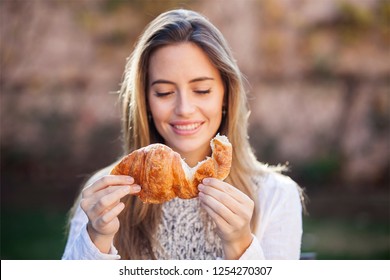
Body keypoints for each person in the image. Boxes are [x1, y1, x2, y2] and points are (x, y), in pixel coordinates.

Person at [62, 9, 304, 260]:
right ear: (145, 100)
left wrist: (239, 245)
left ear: (226, 94)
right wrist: (97, 238)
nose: (184, 109)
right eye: (164, 92)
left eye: (201, 90)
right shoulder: (104, 195)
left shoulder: (275, 195)